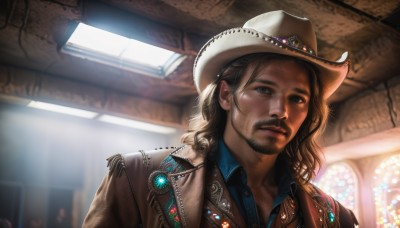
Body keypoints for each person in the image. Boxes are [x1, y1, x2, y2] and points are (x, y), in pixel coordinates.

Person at [83, 10, 359, 227]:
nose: (281, 111)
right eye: (264, 89)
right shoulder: (137, 177)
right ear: (226, 95)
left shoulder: (332, 214)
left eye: (297, 98)